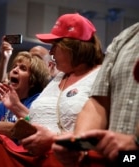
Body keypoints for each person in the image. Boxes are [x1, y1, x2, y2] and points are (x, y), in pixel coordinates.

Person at [6, 13, 104, 156]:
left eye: (55, 46)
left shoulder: (99, 77)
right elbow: (37, 117)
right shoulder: (59, 77)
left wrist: (53, 140)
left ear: (73, 48)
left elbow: (95, 140)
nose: (51, 52)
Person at [52, 22, 139, 164]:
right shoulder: (125, 38)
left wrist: (136, 142)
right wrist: (79, 145)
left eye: (56, 45)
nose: (51, 52)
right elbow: (98, 102)